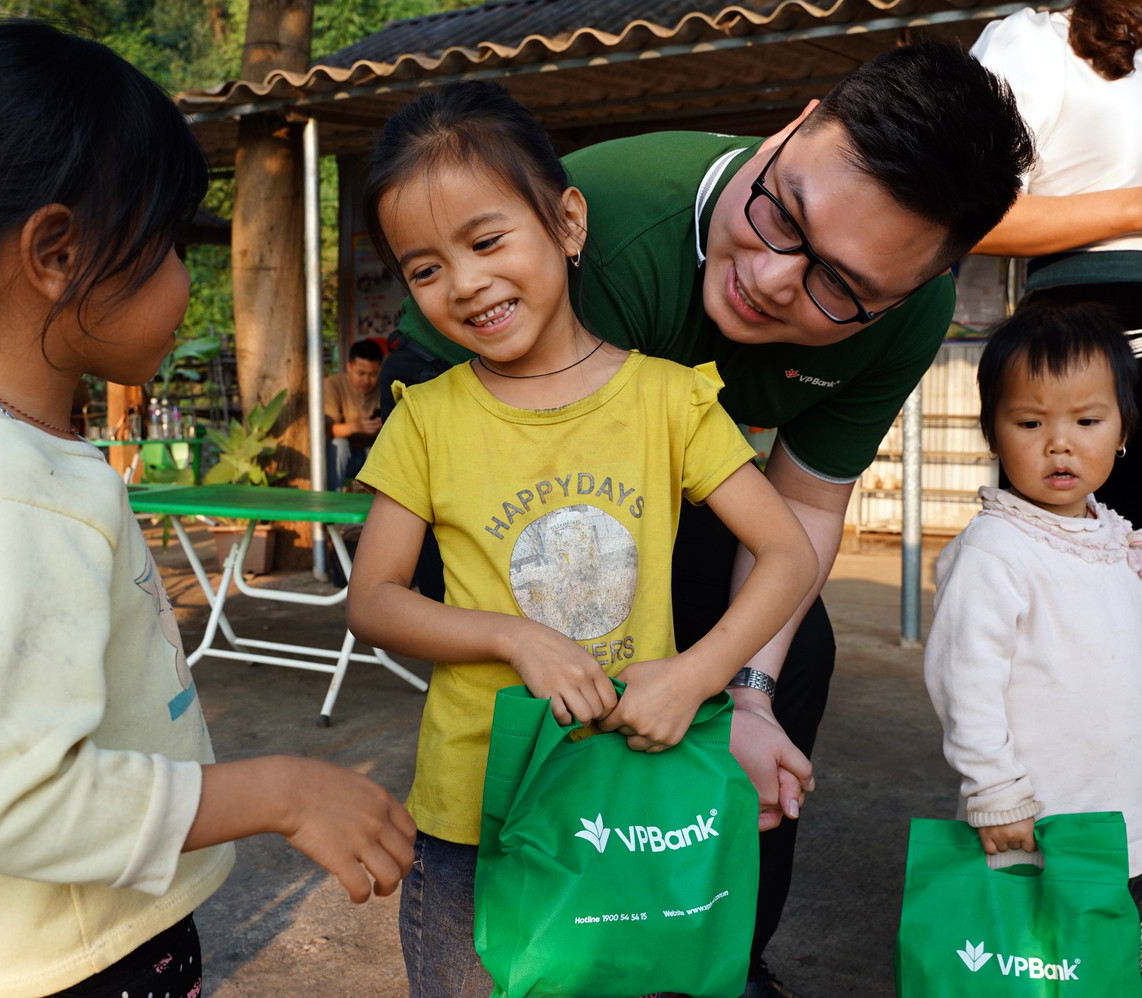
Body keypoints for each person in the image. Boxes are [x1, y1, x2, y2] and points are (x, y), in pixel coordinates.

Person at [0, 22, 415, 998]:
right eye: (161, 250)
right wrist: (279, 788)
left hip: (57, 945)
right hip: (75, 966)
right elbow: (21, 801)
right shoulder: (7, 489)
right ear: (56, 252)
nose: (185, 281)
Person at [377, 41, 1034, 998]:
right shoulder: (604, 234)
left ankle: (711, 944)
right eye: (783, 214)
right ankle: (561, 902)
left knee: (790, 654)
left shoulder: (905, 317)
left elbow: (806, 504)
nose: (771, 277)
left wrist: (741, 694)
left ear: (908, 291)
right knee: (608, 641)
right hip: (502, 441)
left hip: (674, 464)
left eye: (838, 287)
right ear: (794, 127)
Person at [346, 80, 820, 998]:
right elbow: (374, 600)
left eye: (486, 241)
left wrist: (697, 674)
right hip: (469, 815)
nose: (467, 282)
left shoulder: (669, 398)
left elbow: (789, 552)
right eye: (425, 268)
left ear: (567, 222)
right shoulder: (425, 419)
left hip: (623, 799)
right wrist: (511, 635)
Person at [922, 297, 1142, 920]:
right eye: (1029, 424)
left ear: (1124, 429)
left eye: (1087, 421)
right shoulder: (996, 552)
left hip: (1121, 824)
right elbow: (964, 682)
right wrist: (994, 792)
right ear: (991, 430)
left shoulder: (1115, 542)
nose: (1059, 446)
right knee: (1040, 969)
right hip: (1037, 827)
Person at [969, 0, 1142, 526]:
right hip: (1092, 342)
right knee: (1078, 575)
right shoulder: (1037, 42)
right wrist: (1134, 207)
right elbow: (969, 212)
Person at [325, 338, 384, 489]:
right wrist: (355, 427)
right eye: (361, 373)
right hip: (343, 457)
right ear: (349, 367)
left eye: (373, 374)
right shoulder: (332, 385)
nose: (366, 380)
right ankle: (331, 500)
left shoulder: (387, 388)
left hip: (373, 457)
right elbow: (327, 430)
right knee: (338, 444)